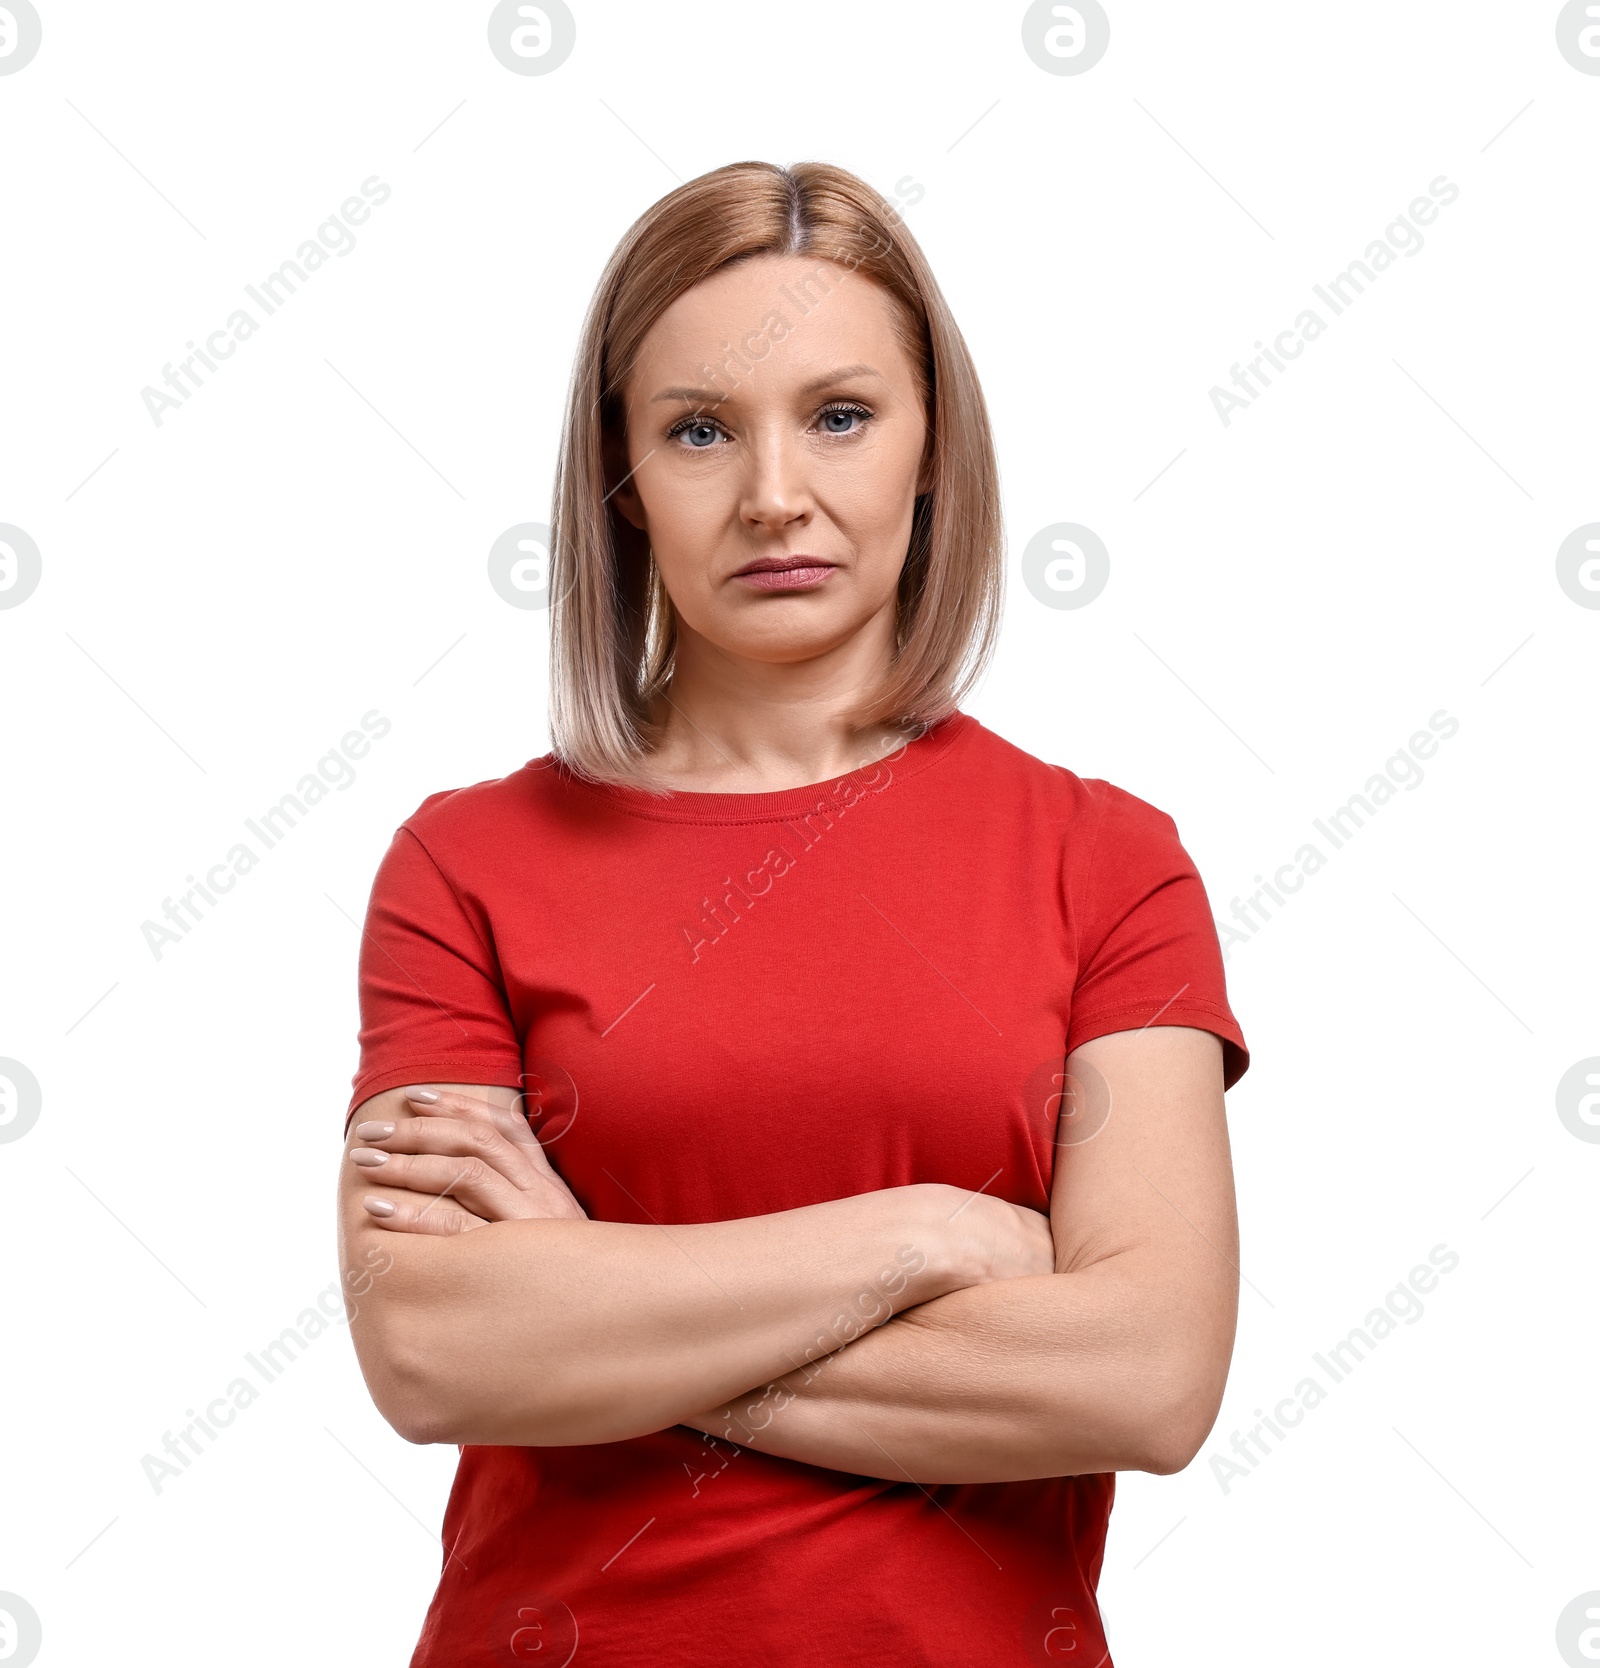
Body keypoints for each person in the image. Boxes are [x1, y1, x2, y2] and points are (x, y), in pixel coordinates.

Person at [337, 159, 1250, 1668]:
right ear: (621, 479)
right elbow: (436, 1350)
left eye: (840, 415)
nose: (775, 495)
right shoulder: (464, 861)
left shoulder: (1107, 860)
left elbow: (1147, 1379)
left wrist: (595, 1287)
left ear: (930, 450)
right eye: (699, 429)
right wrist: (926, 1235)